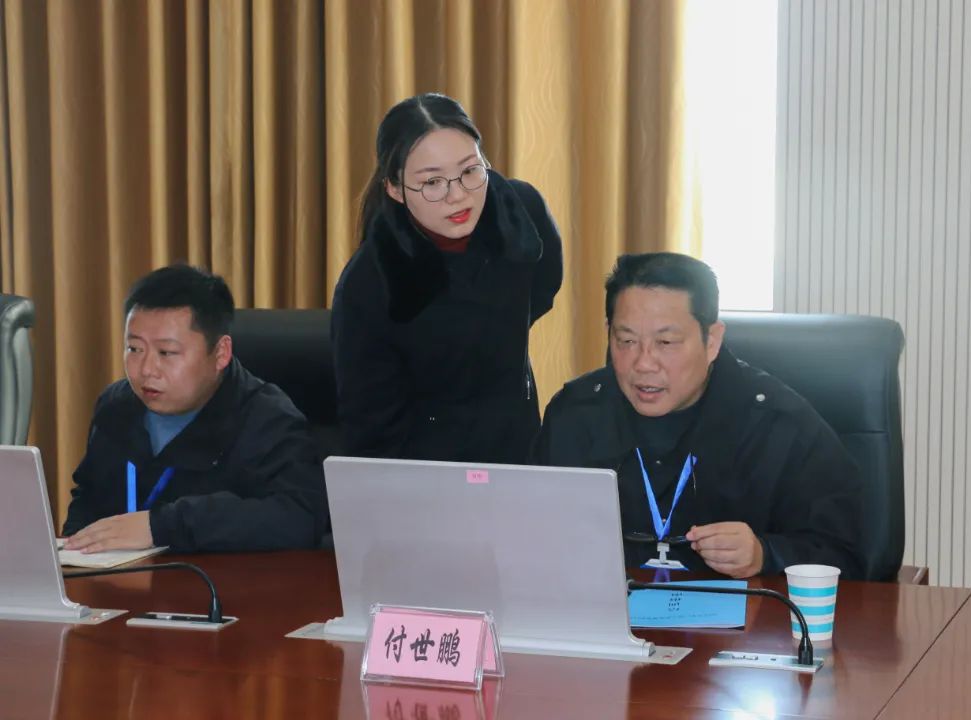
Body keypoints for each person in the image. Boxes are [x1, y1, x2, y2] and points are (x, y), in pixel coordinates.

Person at [533, 252, 865, 579]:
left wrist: (764, 554)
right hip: (604, 610)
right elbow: (531, 536)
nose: (643, 363)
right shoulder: (574, 416)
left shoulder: (779, 425)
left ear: (712, 341)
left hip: (742, 614)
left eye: (666, 342)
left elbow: (848, 555)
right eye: (627, 340)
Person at [332, 93, 562, 463]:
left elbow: (543, 289)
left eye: (470, 171)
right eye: (432, 182)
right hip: (424, 462)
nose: (457, 196)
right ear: (394, 188)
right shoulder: (368, 283)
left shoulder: (522, 212)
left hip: (516, 442)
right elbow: (371, 426)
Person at [62, 264, 329, 553]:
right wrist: (70, 556)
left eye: (167, 352)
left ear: (221, 353)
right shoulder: (116, 407)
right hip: (113, 577)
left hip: (217, 579)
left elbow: (299, 517)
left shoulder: (266, 419)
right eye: (134, 349)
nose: (147, 369)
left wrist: (161, 526)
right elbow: (88, 497)